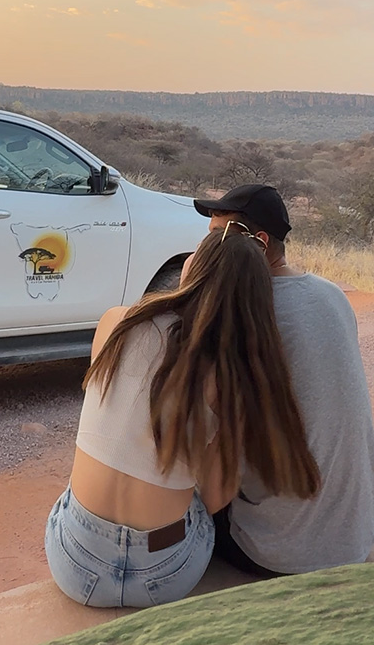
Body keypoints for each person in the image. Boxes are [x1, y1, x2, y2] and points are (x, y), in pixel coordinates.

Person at [45, 228, 321, 608]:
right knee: (191, 500)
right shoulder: (229, 379)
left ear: (194, 266)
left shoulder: (117, 322)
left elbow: (107, 412)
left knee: (78, 487)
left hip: (75, 564)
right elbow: (216, 496)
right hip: (164, 576)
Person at [191, 184, 374, 576]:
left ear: (259, 243)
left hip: (281, 551)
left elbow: (212, 472)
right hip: (359, 532)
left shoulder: (245, 315)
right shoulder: (332, 295)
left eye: (216, 238)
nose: (205, 249)